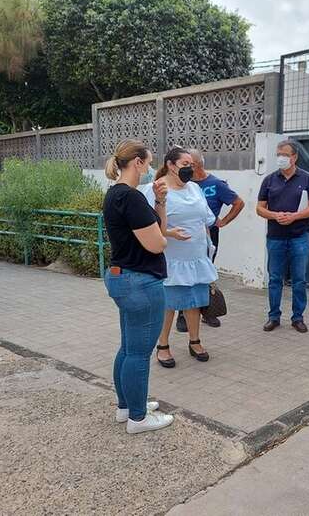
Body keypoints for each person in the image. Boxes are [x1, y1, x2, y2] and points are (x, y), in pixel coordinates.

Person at [102, 138, 174, 434]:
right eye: (149, 162)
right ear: (138, 162)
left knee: (129, 348)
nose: (151, 169)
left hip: (123, 276)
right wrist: (163, 237)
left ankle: (126, 407)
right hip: (140, 281)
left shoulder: (115, 194)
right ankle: (139, 418)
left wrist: (160, 202)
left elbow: (158, 229)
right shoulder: (130, 197)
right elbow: (158, 243)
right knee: (139, 352)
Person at [141, 146, 217, 367]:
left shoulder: (195, 188)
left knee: (194, 302)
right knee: (169, 304)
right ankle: (162, 345)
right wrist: (169, 232)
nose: (189, 169)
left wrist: (208, 247)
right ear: (170, 165)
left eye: (192, 165)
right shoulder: (154, 189)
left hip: (197, 257)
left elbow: (206, 219)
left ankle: (195, 341)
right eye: (185, 165)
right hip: (171, 260)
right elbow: (146, 226)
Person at [175, 149, 244, 332]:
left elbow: (238, 202)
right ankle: (182, 313)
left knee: (205, 273)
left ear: (196, 165)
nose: (185, 168)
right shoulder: (183, 184)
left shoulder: (216, 184)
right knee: (185, 274)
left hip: (208, 235)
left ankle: (208, 310)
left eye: (188, 164)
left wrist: (224, 221)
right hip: (185, 235)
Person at [256, 139, 309, 333]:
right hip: (275, 237)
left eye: (285, 155)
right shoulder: (269, 180)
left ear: (294, 157)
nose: (281, 158)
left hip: (299, 236)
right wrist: (275, 215)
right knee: (275, 278)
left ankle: (298, 318)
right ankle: (273, 317)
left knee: (299, 279)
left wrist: (294, 217)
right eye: (278, 155)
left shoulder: (307, 179)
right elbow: (259, 208)